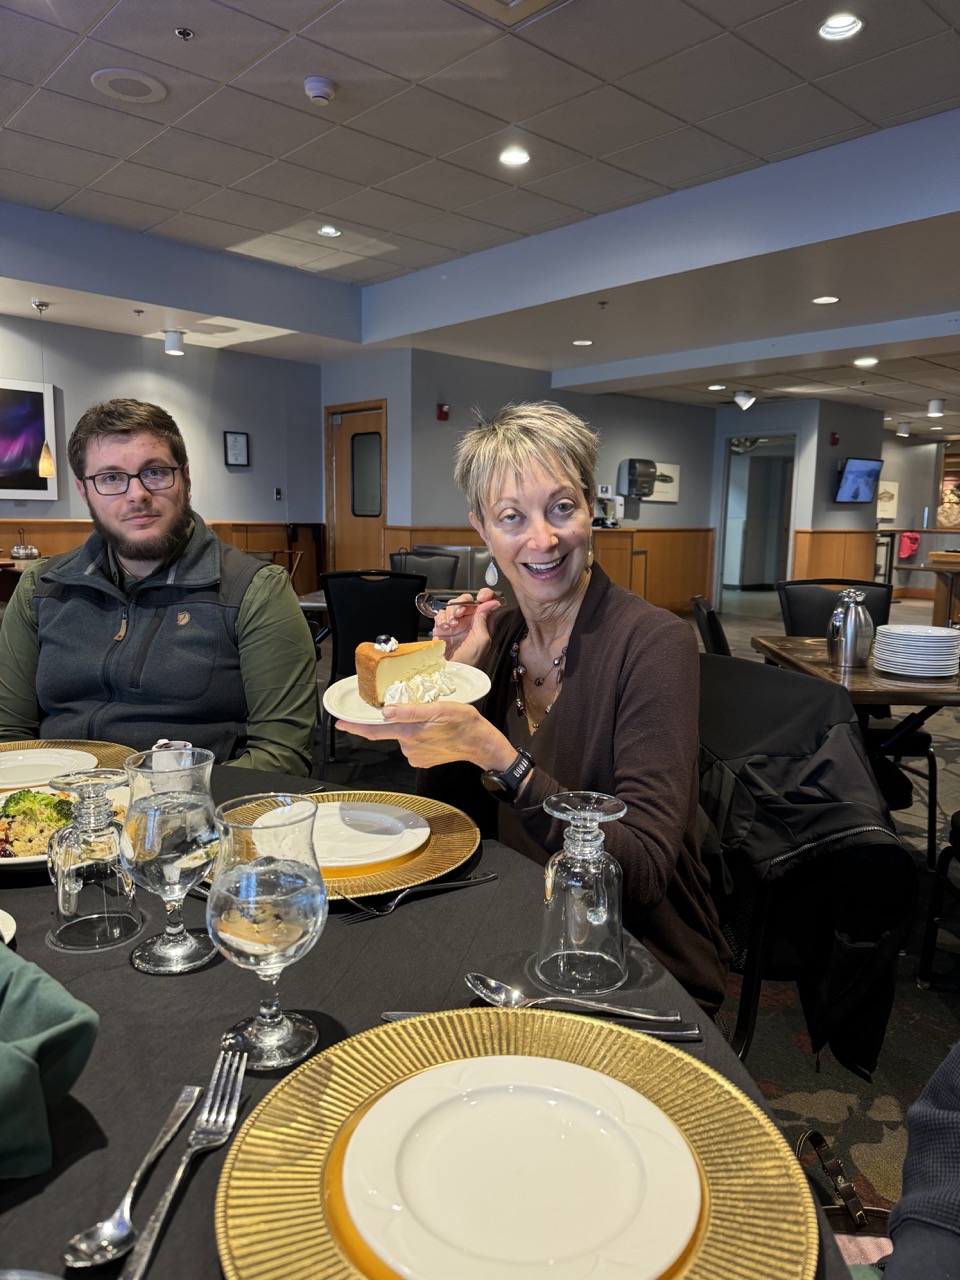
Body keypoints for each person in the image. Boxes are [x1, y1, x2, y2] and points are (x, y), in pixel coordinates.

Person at [344, 401, 729, 1012]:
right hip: (507, 918)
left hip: (628, 955)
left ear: (591, 510)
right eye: (511, 517)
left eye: (562, 508)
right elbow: (450, 812)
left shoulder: (656, 643)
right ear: (482, 531)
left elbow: (647, 871)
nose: (543, 539)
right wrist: (452, 679)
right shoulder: (495, 636)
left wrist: (504, 760)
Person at [0, 398, 317, 776]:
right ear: (85, 492)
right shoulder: (41, 587)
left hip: (191, 815)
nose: (137, 494)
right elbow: (10, 738)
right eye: (111, 478)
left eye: (154, 472)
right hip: (54, 807)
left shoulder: (254, 590)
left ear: (185, 478)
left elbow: (282, 758)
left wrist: (146, 808)